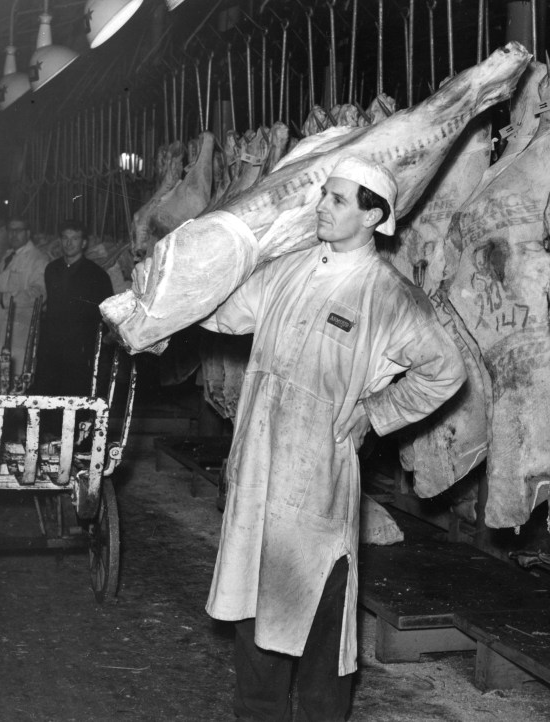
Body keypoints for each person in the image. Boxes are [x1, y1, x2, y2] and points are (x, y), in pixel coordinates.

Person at [199, 156, 466, 721]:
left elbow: (446, 371)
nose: (323, 206)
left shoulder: (387, 293)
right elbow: (225, 316)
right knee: (253, 619)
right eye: (325, 195)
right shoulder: (289, 269)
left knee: (316, 623)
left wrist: (378, 411)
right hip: (257, 470)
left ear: (374, 216)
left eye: (338, 200)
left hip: (316, 483)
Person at [34, 219, 113, 396]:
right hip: (52, 347)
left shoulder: (97, 275)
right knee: (49, 396)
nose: (69, 243)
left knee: (75, 396)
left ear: (83, 243)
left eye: (75, 238)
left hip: (80, 349)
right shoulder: (52, 270)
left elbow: (107, 314)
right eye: (65, 238)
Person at [0, 218, 48, 380]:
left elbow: (38, 294)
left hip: (20, 333)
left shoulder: (38, 259)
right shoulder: (8, 256)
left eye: (18, 230)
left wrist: (3, 298)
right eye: (10, 230)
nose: (13, 235)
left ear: (28, 233)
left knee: (16, 385)